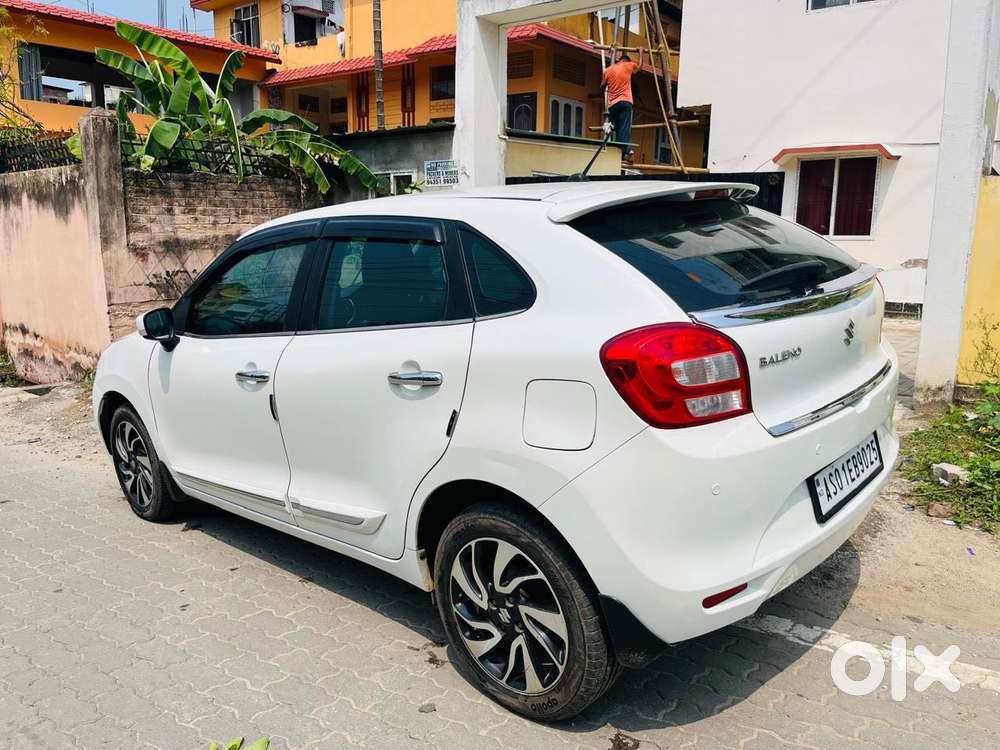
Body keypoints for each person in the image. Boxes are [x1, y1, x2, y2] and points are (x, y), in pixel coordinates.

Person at [601, 49, 643, 162]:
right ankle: (626, 152)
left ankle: (623, 152)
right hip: (626, 102)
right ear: (627, 61)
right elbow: (639, 67)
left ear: (619, 60)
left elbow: (602, 85)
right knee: (624, 129)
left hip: (612, 105)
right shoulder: (629, 65)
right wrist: (641, 52)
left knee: (618, 128)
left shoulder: (608, 70)